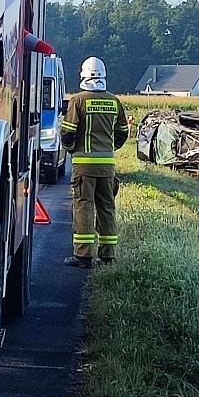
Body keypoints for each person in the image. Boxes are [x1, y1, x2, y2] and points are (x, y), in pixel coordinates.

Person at [60, 56, 129, 268]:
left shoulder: (78, 101)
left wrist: (71, 150)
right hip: (107, 166)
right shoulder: (113, 101)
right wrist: (109, 148)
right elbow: (123, 132)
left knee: (84, 207)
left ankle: (84, 256)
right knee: (107, 207)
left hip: (84, 166)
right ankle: (108, 255)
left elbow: (67, 132)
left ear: (83, 76)